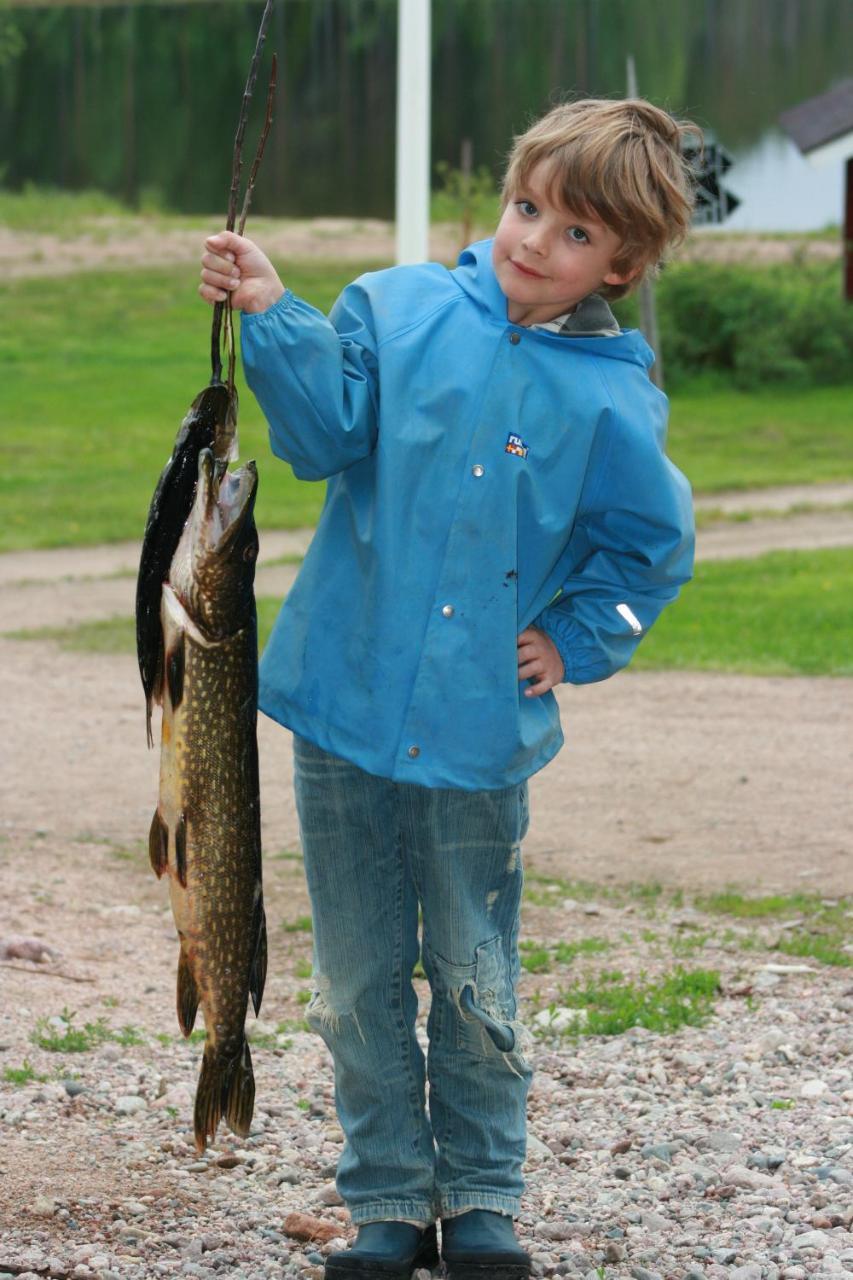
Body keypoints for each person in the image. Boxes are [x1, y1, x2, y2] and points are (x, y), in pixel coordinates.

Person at [199, 97, 698, 1280]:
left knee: (472, 971)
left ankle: (479, 1197)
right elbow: (321, 437)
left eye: (573, 234)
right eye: (527, 207)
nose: (533, 240)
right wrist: (272, 312)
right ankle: (383, 1200)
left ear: (620, 265)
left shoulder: (616, 400)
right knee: (359, 974)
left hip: (480, 740)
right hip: (344, 715)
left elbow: (650, 551)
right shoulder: (397, 306)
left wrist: (578, 638)